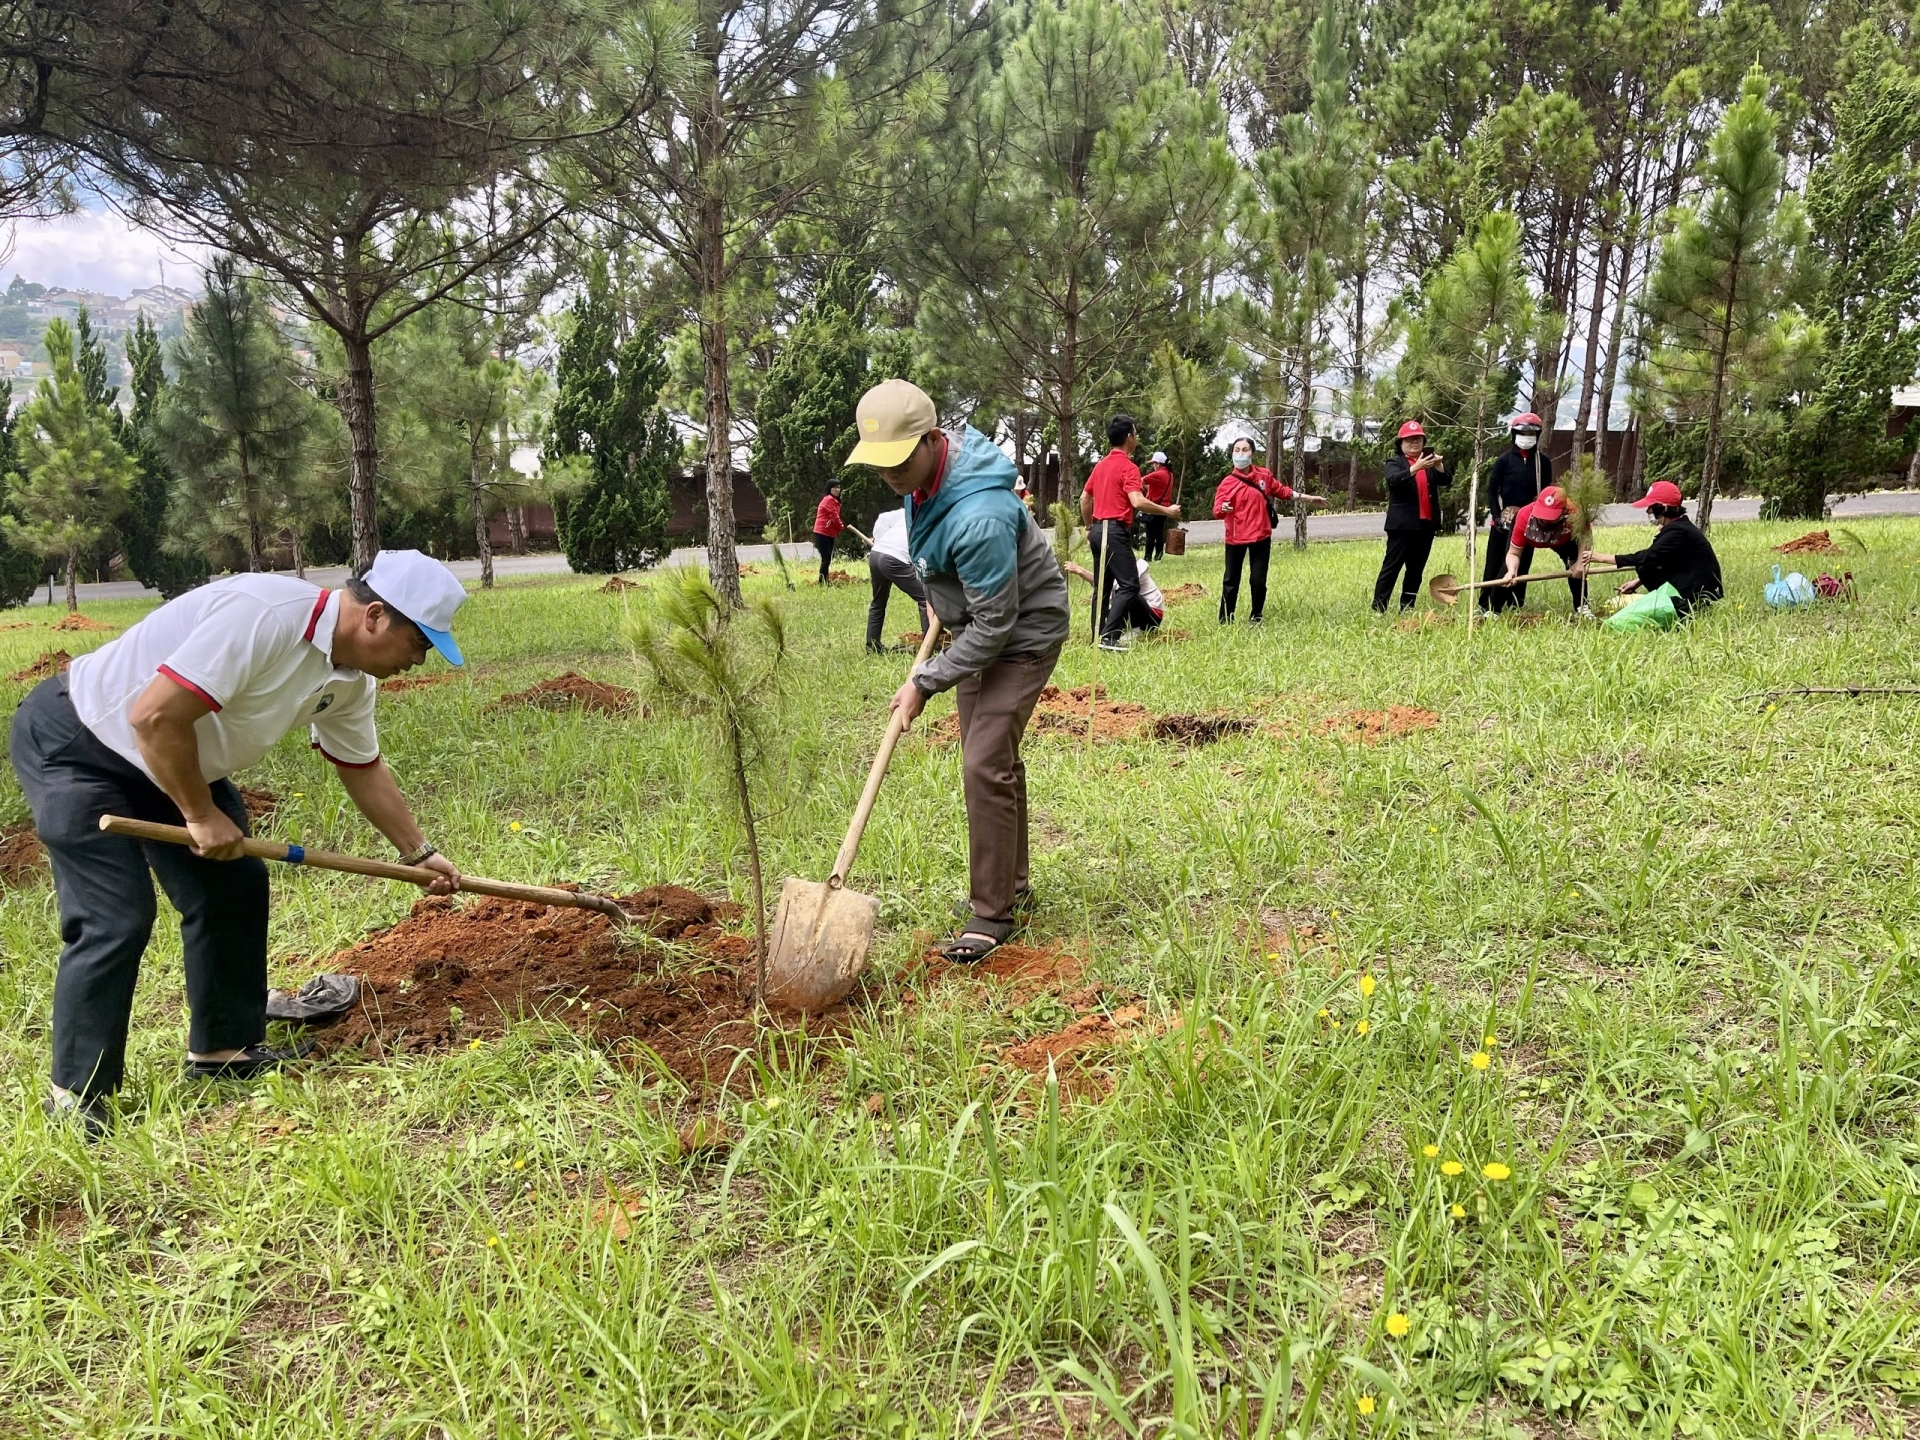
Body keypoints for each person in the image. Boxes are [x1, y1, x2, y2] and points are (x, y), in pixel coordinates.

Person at [10, 551, 467, 1135]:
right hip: (83, 740)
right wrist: (199, 813)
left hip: (172, 756)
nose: (416, 660)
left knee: (234, 887)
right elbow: (152, 716)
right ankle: (75, 1096)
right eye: (419, 644)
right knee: (114, 916)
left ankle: (224, 1053)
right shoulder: (266, 613)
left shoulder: (351, 679)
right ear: (376, 615)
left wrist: (418, 853)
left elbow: (362, 768)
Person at [846, 379, 1071, 964]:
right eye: (880, 464)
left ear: (932, 440)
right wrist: (939, 603)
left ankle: (991, 913)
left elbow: (997, 626)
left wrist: (924, 680)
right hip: (974, 627)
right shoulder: (922, 482)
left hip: (1021, 636)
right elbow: (940, 563)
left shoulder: (982, 515)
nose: (890, 474)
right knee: (991, 760)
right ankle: (1012, 886)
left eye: (899, 460)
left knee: (981, 760)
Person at [1079, 415, 1181, 652]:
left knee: (1102, 587)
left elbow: (1085, 498)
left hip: (1097, 529)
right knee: (1129, 585)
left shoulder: (1101, 465)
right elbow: (1137, 501)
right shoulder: (1128, 466)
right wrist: (1167, 510)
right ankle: (1109, 636)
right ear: (1128, 437)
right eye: (1135, 433)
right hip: (1114, 531)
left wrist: (1088, 527)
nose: (1137, 438)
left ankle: (1097, 634)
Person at [1212, 437, 1326, 624]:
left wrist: (1309, 498)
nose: (1241, 454)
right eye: (1237, 450)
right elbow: (1217, 509)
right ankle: (1225, 620)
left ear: (1253, 453)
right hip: (1235, 538)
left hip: (1260, 536)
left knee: (1258, 581)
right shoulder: (1227, 483)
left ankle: (1256, 616)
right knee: (1231, 581)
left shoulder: (1263, 476)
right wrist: (1222, 508)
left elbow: (1284, 492)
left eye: (1245, 450)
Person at [1583, 480, 1723, 617]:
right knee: (1647, 567)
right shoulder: (1679, 527)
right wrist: (1637, 582)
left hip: (1698, 592)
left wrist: (1599, 557)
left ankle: (1679, 606)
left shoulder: (1678, 532)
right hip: (1694, 583)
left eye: (1652, 506)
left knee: (1645, 565)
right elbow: (1664, 559)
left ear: (1664, 508)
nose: (1648, 510)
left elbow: (1647, 557)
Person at [1372, 420, 1451, 613]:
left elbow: (1446, 480)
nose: (1414, 442)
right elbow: (1393, 481)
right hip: (1402, 526)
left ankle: (1407, 607)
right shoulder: (1394, 462)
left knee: (1416, 570)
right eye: (1409, 440)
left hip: (1426, 525)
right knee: (1391, 567)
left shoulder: (1430, 463)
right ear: (1400, 443)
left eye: (1418, 439)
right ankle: (1379, 607)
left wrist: (1439, 465)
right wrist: (1416, 467)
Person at [1481, 412, 1550, 613]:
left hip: (1529, 521)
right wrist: (1496, 515)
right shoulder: (1503, 461)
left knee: (1523, 562)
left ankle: (1515, 603)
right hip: (1504, 521)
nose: (1527, 437)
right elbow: (1492, 490)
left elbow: (1545, 491)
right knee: (1495, 563)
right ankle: (1486, 603)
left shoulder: (1542, 462)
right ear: (1514, 434)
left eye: (1531, 433)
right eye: (1522, 432)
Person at [1499, 484, 1590, 614]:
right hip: (1530, 536)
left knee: (1575, 561)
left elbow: (1585, 537)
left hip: (1563, 538)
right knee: (1509, 569)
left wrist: (1581, 562)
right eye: (1542, 515)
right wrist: (1512, 570)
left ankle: (1582, 606)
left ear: (1564, 511)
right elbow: (1513, 553)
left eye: (1550, 517)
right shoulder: (1524, 515)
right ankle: (1496, 608)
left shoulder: (1575, 512)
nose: (1545, 520)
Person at [858, 506, 930, 653]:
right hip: (893, 558)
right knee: (925, 598)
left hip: (877, 553)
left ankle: (872, 646)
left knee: (878, 601)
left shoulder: (911, 511)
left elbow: (884, 518)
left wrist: (879, 540)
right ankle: (930, 645)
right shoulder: (933, 518)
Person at [1064, 557, 1165, 636]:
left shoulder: (1137, 565)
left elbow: (1115, 585)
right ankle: (1115, 632)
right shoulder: (1112, 569)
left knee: (1127, 591)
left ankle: (1136, 630)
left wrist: (1082, 571)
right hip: (1132, 612)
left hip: (1152, 615)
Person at [1138, 450, 1176, 560]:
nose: (1153, 466)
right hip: (1164, 508)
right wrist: (1149, 489)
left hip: (1154, 507)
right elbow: (1160, 488)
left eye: (1153, 463)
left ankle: (1147, 556)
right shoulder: (1170, 475)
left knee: (1150, 534)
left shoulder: (1158, 474)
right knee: (1159, 532)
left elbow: (1141, 480)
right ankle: (1158, 556)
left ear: (1158, 463)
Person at [812, 480, 845, 583]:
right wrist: (841, 526)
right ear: (829, 489)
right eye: (834, 487)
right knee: (826, 559)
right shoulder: (829, 499)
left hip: (829, 533)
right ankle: (822, 582)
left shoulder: (834, 500)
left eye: (839, 487)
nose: (837, 490)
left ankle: (824, 580)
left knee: (827, 558)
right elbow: (834, 516)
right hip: (823, 532)